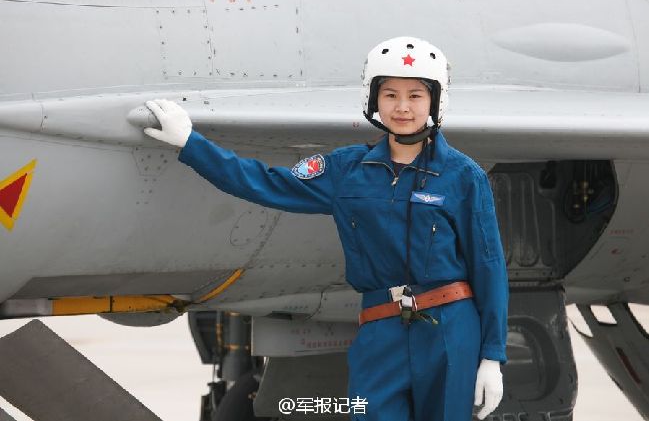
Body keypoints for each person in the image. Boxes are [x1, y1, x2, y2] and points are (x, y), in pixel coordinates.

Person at [144, 36, 508, 421]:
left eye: (415, 95)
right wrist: (191, 145)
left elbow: (489, 268)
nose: (402, 107)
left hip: (450, 329)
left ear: (435, 101)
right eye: (390, 95)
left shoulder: (463, 176)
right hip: (381, 327)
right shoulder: (346, 170)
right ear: (373, 99)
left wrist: (491, 356)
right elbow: (264, 183)